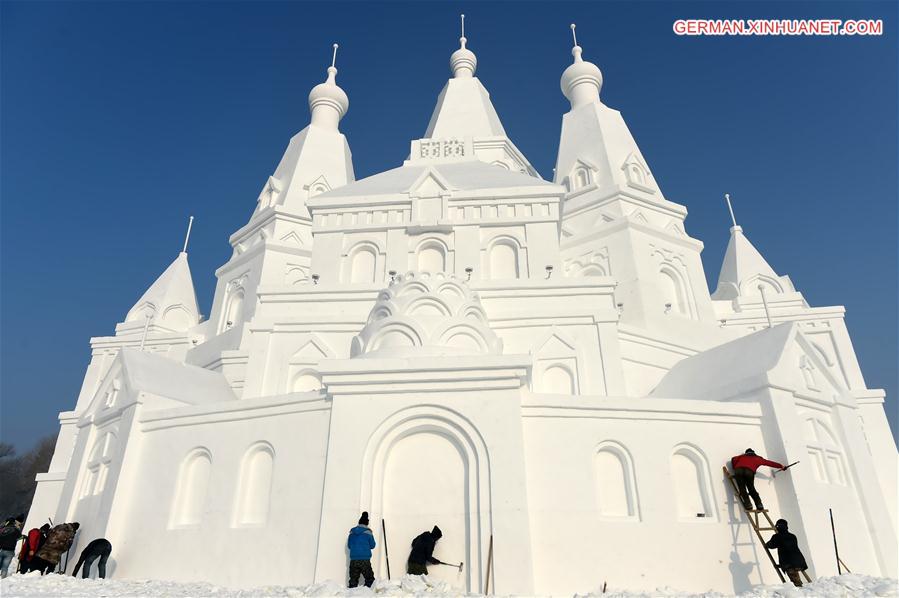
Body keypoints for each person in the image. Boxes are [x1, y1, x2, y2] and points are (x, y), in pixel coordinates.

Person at [765, 519, 808, 587]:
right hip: (799, 561)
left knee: (796, 584)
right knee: (796, 578)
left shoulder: (777, 537)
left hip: (788, 564)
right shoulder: (793, 536)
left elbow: (771, 545)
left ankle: (801, 593)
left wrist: (767, 544)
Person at [346, 512, 375, 588]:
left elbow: (349, 546)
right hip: (365, 560)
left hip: (354, 560)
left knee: (353, 581)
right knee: (370, 580)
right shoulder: (368, 532)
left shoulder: (352, 533)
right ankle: (366, 594)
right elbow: (373, 545)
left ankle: (352, 595)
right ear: (367, 523)